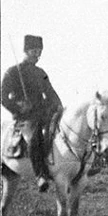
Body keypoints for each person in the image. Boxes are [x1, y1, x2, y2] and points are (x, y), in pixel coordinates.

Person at [1, 35, 63, 192]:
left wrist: (59, 106)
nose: (37, 55)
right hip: (24, 117)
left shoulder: (40, 72)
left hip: (43, 114)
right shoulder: (13, 72)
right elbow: (2, 96)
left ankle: (75, 168)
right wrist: (18, 106)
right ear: (26, 51)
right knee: (35, 137)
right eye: (34, 51)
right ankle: (40, 175)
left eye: (39, 51)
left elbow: (51, 93)